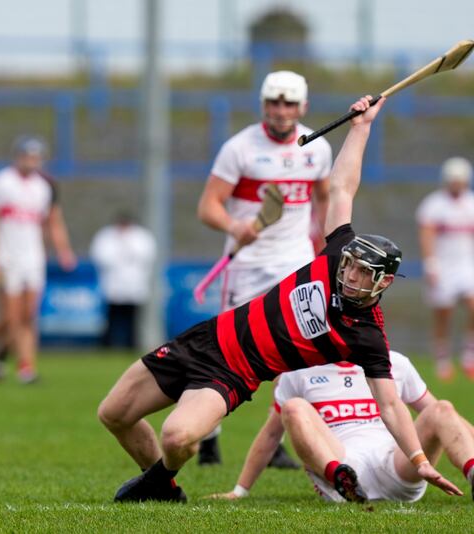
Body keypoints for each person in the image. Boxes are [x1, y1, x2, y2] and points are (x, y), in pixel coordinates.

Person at [97, 96, 462, 503]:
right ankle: (163, 487)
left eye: (364, 272)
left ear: (384, 282)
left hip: (234, 373)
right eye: (352, 265)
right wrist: (361, 127)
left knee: (178, 435)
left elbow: (392, 406)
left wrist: (418, 457)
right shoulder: (336, 254)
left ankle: (163, 477)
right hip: (208, 337)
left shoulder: (368, 337)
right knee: (113, 413)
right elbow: (342, 188)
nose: (352, 273)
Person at [195, 70, 332, 467]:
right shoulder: (239, 148)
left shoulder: (316, 147)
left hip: (295, 262)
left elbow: (322, 199)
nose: (282, 110)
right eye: (274, 102)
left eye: (290, 103)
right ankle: (209, 437)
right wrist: (235, 226)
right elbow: (208, 207)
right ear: (263, 105)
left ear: (303, 106)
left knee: (298, 352)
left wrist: (323, 249)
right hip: (247, 265)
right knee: (227, 352)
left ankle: (279, 442)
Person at [210, 351, 474, 503]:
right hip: (341, 459)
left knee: (442, 408)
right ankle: (341, 480)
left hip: (395, 463)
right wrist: (239, 491)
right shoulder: (301, 370)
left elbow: (447, 419)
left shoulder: (395, 362)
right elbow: (270, 434)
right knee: (294, 407)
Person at [0, 135, 76, 384]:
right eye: (27, 156)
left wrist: (64, 251)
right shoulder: (2, 182)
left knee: (28, 316)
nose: (31, 161)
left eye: (36, 157)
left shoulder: (44, 187)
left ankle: (15, 363)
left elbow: (53, 222)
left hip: (32, 258)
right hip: (6, 257)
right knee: (11, 318)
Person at [415, 157, 474, 381]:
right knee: (443, 313)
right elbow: (426, 235)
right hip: (443, 266)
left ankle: (469, 357)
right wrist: (431, 264)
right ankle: (443, 360)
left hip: (467, 265)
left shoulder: (471, 203)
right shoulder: (434, 205)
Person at [90, 212, 156, 349]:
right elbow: (100, 257)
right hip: (113, 285)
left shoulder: (141, 237)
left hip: (134, 285)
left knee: (132, 319)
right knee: (111, 318)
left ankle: (131, 345)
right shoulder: (106, 236)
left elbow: (146, 257)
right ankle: (107, 345)